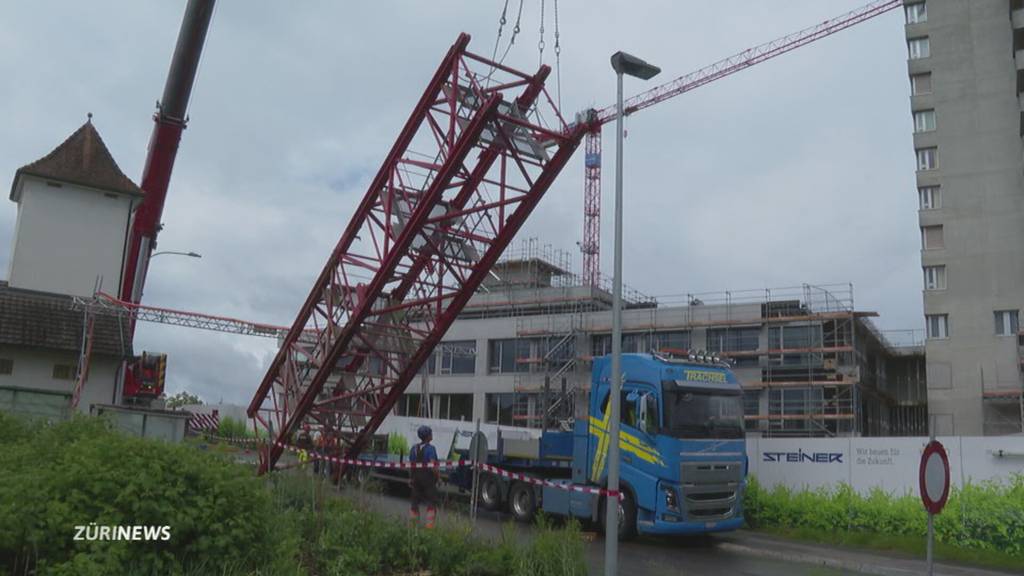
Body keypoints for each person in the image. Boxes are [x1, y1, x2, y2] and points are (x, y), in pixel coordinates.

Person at [409, 425, 440, 528]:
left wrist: (411, 478)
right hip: (428, 481)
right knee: (431, 503)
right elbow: (433, 466)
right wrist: (439, 478)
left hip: (416, 479)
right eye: (431, 433)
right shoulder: (431, 449)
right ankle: (429, 528)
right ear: (427, 436)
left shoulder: (414, 449)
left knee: (414, 504)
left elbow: (411, 465)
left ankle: (413, 527)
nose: (432, 435)